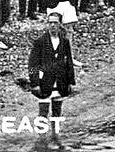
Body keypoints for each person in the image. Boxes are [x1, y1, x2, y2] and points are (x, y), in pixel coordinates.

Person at [28, 12, 74, 142]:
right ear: (47, 24)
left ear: (60, 25)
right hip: (45, 82)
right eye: (50, 22)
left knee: (57, 111)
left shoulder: (64, 42)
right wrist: (35, 83)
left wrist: (70, 81)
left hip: (60, 81)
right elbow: (33, 64)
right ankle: (41, 140)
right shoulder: (40, 42)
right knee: (43, 111)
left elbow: (69, 62)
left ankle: (56, 137)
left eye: (55, 23)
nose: (52, 25)